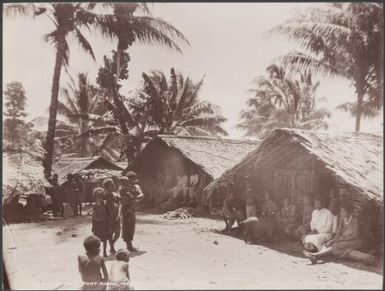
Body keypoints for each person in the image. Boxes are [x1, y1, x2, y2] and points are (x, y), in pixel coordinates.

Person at [120, 172, 144, 252]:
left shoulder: (136, 186)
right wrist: (135, 198)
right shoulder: (123, 187)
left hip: (132, 208)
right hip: (126, 208)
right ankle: (128, 245)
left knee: (131, 226)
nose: (133, 181)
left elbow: (142, 195)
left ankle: (129, 244)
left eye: (134, 179)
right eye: (131, 179)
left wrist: (134, 198)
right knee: (127, 226)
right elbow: (121, 197)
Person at [103, 178, 121, 255]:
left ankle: (112, 245)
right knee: (110, 233)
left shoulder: (115, 194)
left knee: (117, 233)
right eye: (111, 185)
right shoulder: (104, 195)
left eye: (113, 184)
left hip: (116, 216)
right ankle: (112, 248)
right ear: (107, 186)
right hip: (109, 217)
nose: (113, 186)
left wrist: (119, 214)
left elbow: (120, 204)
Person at [92, 188, 108, 257]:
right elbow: (93, 215)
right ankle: (96, 251)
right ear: (95, 196)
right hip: (96, 223)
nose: (99, 197)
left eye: (100, 196)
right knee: (96, 238)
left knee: (104, 238)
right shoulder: (94, 204)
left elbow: (107, 214)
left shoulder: (105, 203)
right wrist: (93, 225)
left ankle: (104, 251)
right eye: (97, 196)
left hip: (103, 222)